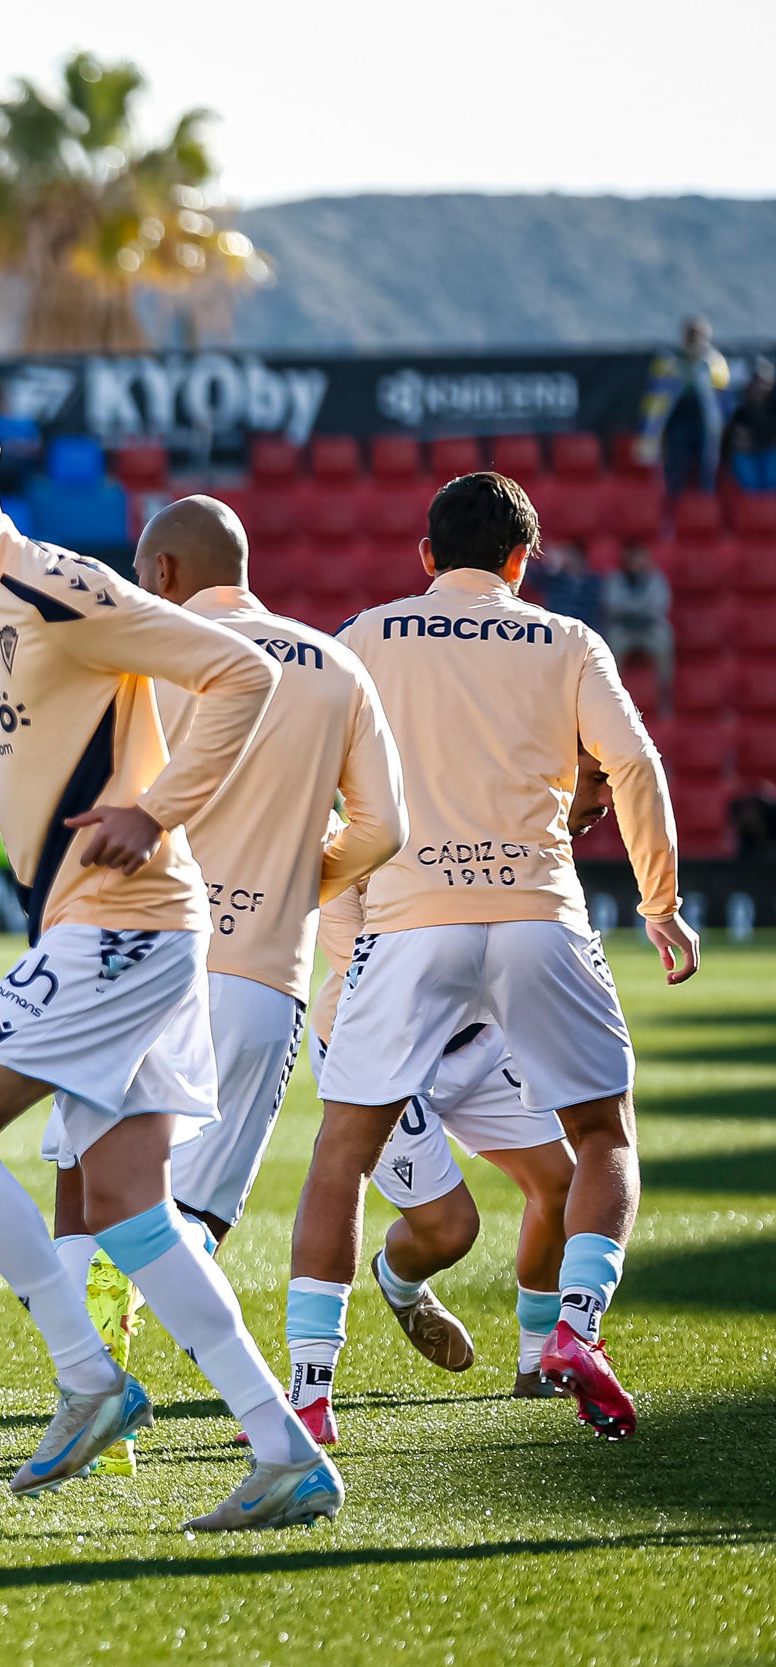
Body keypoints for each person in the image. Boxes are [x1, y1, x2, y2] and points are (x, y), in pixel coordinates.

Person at [0, 394, 341, 1533]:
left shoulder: (62, 586)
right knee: (130, 1210)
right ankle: (283, 1450)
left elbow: (244, 674)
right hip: (107, 928)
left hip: (125, 920)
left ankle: (88, 1378)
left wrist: (156, 805)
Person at [290, 471, 698, 1448]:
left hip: (406, 920)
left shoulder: (365, 634)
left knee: (339, 1152)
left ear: (425, 557)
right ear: (525, 559)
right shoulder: (566, 640)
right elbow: (634, 764)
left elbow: (300, 776)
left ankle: (308, 1390)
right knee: (603, 1137)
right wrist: (661, 903)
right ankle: (573, 1330)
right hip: (532, 912)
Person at [35, 495, 403, 1464]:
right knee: (185, 1219)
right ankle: (244, 1411)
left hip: (129, 957)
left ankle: (98, 1393)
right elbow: (382, 831)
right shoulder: (336, 667)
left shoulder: (134, 651)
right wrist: (290, 885)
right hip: (257, 974)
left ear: (158, 571)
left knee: (83, 1188)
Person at [641, 316, 730, 499]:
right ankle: (672, 511)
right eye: (691, 334)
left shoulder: (716, 362)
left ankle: (704, 510)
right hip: (677, 420)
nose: (695, 339)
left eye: (699, 335)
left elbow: (722, 395)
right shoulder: (668, 360)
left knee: (706, 467)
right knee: (675, 467)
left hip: (704, 423)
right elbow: (655, 395)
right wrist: (648, 432)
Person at [603, 544, 675, 706]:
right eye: (634, 559)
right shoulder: (615, 579)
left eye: (641, 558)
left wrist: (633, 608)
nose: (638, 563)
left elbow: (660, 605)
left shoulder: (656, 579)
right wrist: (639, 608)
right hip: (624, 628)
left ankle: (665, 697)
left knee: (665, 638)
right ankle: (612, 697)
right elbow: (613, 605)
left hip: (649, 628)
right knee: (611, 645)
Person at [527, 540, 604, 634]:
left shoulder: (593, 582)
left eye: (571, 554)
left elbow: (597, 611)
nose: (567, 558)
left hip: (586, 630)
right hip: (558, 629)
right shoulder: (554, 579)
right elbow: (532, 575)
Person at [726, 358, 776, 491]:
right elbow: (736, 437)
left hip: (769, 452)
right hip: (747, 453)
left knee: (771, 477)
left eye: (764, 381)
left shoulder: (772, 406)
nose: (760, 385)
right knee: (749, 480)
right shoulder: (739, 406)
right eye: (757, 380)